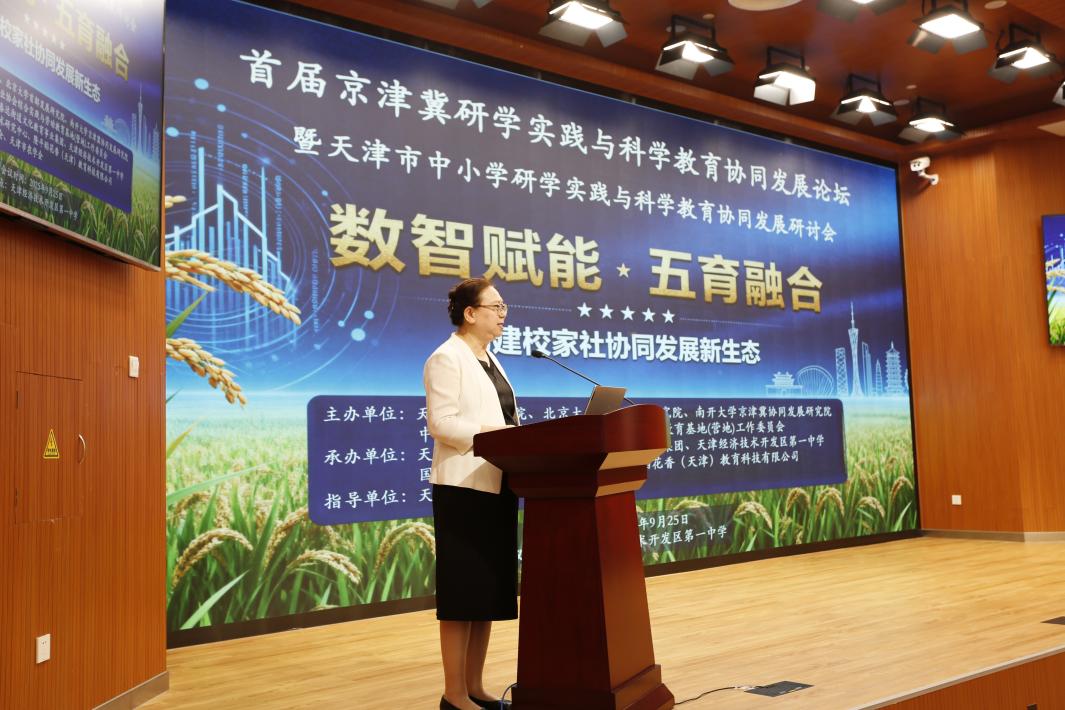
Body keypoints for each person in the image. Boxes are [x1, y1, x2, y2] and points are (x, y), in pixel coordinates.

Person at [424, 277, 519, 710]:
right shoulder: (447, 358)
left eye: (503, 307)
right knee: (463, 594)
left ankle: (476, 687)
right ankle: (454, 694)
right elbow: (441, 424)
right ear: (470, 313)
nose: (503, 314)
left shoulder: (490, 359)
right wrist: (497, 435)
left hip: (497, 483)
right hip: (463, 489)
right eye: (496, 306)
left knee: (486, 593)